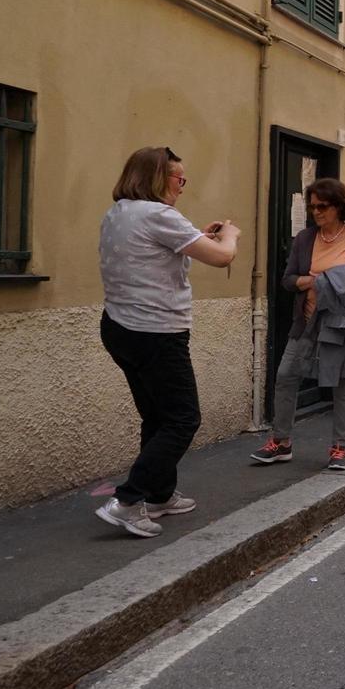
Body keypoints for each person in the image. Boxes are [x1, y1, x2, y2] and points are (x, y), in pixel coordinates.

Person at [96, 147, 241, 537]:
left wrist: (198, 235)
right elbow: (223, 257)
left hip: (119, 327)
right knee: (182, 418)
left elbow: (160, 249)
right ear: (158, 178)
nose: (182, 186)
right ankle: (128, 501)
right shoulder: (160, 215)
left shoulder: (119, 213)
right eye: (178, 178)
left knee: (157, 417)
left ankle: (159, 495)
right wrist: (229, 236)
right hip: (156, 332)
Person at [251, 178, 345, 471]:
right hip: (307, 323)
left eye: (322, 206)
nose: (316, 212)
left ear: (339, 206)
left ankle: (340, 448)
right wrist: (309, 281)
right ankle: (281, 442)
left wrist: (337, 279)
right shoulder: (305, 239)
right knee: (285, 377)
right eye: (312, 207)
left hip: (342, 325)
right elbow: (287, 279)